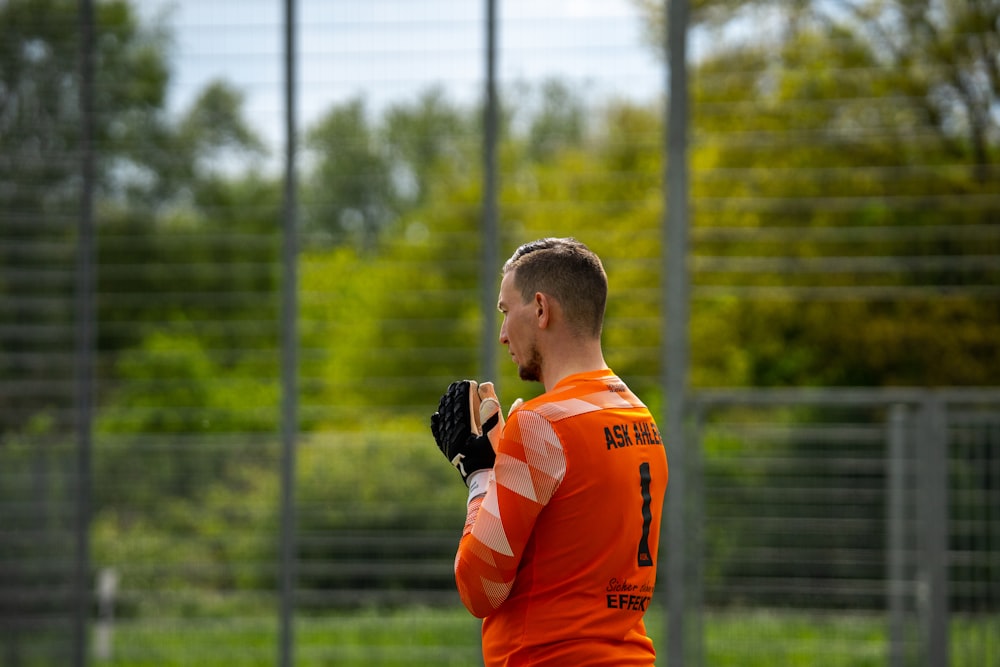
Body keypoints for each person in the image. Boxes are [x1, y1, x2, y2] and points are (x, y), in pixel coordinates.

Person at [430, 237, 669, 666]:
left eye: (505, 312)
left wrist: (480, 474)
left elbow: (479, 587)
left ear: (541, 309)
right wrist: (508, 458)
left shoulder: (543, 423)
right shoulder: (639, 416)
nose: (502, 334)